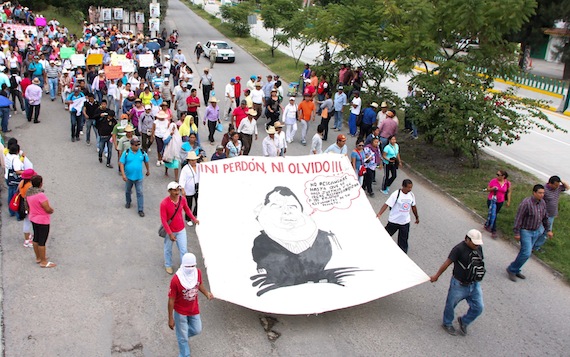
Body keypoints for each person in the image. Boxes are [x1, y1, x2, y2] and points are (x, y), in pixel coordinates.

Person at [430, 229, 485, 336]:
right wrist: (436, 276)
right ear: (467, 239)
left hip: (474, 284)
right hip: (459, 284)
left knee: (479, 307)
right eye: (474, 244)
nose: (476, 246)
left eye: (478, 244)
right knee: (451, 304)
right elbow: (447, 263)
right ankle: (447, 323)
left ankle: (464, 321)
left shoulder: (479, 248)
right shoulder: (458, 249)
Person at [167, 253, 213, 357]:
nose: (190, 268)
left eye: (192, 266)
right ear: (183, 265)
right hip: (180, 312)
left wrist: (207, 294)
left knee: (197, 329)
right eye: (188, 266)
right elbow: (171, 300)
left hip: (193, 309)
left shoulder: (197, 273)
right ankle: (184, 353)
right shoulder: (176, 280)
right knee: (183, 339)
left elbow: (199, 284)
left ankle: (182, 337)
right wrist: (170, 318)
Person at [506, 184, 552, 282]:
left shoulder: (542, 203)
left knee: (525, 252)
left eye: (543, 193)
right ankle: (512, 269)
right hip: (526, 231)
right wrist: (517, 232)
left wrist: (548, 230)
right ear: (534, 193)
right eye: (540, 193)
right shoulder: (526, 203)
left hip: (536, 231)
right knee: (526, 253)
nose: (542, 195)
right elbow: (519, 218)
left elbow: (545, 217)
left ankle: (516, 268)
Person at [161, 181, 199, 274]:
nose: (177, 192)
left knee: (184, 250)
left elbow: (187, 209)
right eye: (174, 190)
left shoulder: (182, 199)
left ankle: (184, 267)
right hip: (170, 231)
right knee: (168, 249)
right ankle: (168, 265)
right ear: (169, 191)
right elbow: (164, 220)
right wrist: (170, 234)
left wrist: (194, 219)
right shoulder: (164, 203)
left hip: (181, 229)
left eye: (178, 190)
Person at [376, 179, 419, 253]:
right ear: (403, 186)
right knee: (385, 235)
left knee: (403, 241)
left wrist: (417, 217)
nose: (410, 189)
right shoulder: (396, 194)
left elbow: (413, 206)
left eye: (411, 187)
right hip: (394, 221)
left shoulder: (411, 195)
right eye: (408, 187)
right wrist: (379, 213)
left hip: (405, 222)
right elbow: (386, 204)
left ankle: (402, 254)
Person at [26, 175, 56, 268]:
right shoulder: (41, 195)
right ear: (40, 184)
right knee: (42, 241)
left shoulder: (29, 193)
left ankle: (38, 257)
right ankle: (43, 262)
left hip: (33, 218)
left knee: (36, 238)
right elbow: (47, 208)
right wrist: (51, 210)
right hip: (42, 220)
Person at [534, 176, 568, 252]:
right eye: (555, 185)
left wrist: (561, 181)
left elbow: (567, 187)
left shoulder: (558, 188)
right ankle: (529, 243)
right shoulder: (543, 190)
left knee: (546, 232)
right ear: (550, 183)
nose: (557, 187)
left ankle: (536, 247)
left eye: (558, 185)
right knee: (538, 230)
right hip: (542, 214)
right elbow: (537, 200)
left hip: (551, 215)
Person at [119, 137, 150, 217]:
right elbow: (121, 163)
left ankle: (140, 209)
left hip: (139, 177)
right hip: (129, 177)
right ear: (131, 145)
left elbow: (146, 161)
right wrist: (123, 174)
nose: (137, 146)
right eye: (136, 145)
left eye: (138, 145)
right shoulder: (126, 152)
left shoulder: (142, 152)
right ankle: (128, 202)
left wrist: (148, 170)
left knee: (140, 192)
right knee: (127, 190)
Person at [484, 170, 512, 238]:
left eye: (498, 175)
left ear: (503, 176)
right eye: (497, 174)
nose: (497, 176)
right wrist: (492, 189)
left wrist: (508, 201)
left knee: (493, 213)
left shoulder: (507, 183)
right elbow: (488, 189)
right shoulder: (493, 181)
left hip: (500, 201)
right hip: (492, 199)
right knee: (494, 214)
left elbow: (509, 192)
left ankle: (487, 224)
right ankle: (494, 230)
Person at [180, 152, 201, 223]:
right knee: (189, 205)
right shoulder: (185, 169)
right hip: (189, 189)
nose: (193, 161)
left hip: (198, 188)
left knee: (198, 202)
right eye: (192, 160)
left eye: (194, 160)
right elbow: (182, 179)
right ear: (189, 161)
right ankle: (188, 218)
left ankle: (195, 214)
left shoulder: (199, 166)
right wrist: (182, 189)